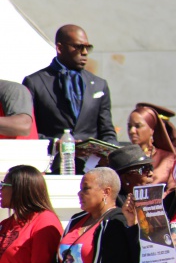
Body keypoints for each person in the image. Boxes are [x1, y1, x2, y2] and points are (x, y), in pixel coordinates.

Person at [23, 25, 118, 172]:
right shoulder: (35, 82)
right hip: (52, 167)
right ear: (60, 48)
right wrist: (55, 144)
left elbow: (107, 132)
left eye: (88, 47)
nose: (85, 53)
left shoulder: (99, 85)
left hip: (91, 170)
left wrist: (107, 154)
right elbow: (29, 131)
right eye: (78, 47)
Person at [128, 103, 176, 191]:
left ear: (152, 130)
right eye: (129, 126)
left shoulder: (169, 159)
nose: (132, 131)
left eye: (137, 126)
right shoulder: (125, 159)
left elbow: (172, 190)